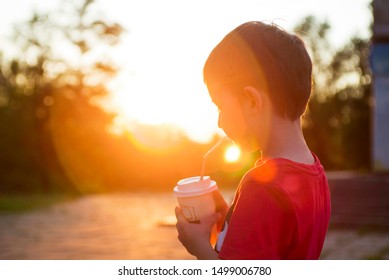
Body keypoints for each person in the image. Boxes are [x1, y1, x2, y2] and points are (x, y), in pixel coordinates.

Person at [175, 21, 331, 260]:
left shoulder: (262, 188)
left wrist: (198, 246)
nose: (219, 122)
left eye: (220, 107)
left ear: (251, 101)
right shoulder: (315, 173)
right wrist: (230, 217)